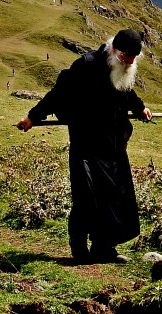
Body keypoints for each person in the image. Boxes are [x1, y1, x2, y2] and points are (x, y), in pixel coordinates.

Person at [16, 29, 152, 264]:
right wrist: (33, 117)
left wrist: (140, 108)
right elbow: (58, 94)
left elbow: (126, 92)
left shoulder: (122, 67)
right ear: (114, 51)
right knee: (86, 196)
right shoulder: (86, 66)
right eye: (126, 58)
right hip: (87, 143)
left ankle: (104, 247)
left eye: (133, 59)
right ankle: (79, 249)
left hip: (114, 145)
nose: (129, 63)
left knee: (113, 196)